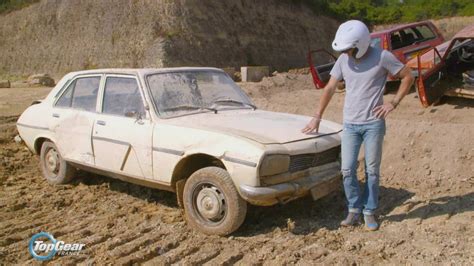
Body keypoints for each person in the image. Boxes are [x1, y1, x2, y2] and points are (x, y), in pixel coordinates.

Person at [301, 20, 414, 231]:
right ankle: (354, 208)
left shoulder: (382, 57)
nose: (346, 52)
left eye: (349, 48)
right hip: (350, 125)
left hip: (373, 124)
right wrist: (317, 115)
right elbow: (330, 87)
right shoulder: (344, 60)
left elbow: (407, 76)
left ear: (360, 43)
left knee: (372, 170)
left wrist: (394, 103)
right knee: (346, 169)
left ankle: (369, 211)